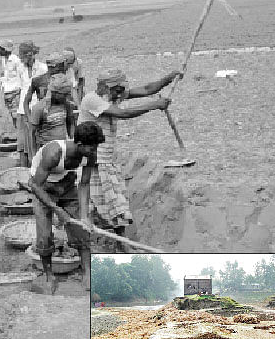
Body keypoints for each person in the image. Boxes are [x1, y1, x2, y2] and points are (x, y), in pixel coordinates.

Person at [77, 68, 179, 236]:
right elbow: (123, 113)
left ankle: (110, 237)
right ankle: (116, 240)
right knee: (113, 204)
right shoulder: (92, 100)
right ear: (106, 87)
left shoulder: (113, 96)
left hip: (107, 159)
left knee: (110, 202)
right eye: (118, 89)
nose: (122, 93)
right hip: (95, 160)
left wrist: (170, 77)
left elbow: (148, 89)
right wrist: (154, 105)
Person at [19, 122, 105, 293]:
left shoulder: (89, 155)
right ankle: (49, 276)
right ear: (80, 145)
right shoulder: (54, 153)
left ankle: (87, 272)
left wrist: (84, 215)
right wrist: (57, 210)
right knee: (44, 236)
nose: (94, 152)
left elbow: (84, 184)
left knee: (81, 230)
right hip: (42, 188)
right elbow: (34, 186)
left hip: (66, 185)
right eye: (91, 148)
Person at [23, 53, 68, 157]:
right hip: (43, 118)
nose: (62, 68)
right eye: (60, 66)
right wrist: (30, 118)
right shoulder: (38, 80)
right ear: (53, 67)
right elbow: (26, 102)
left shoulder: (63, 81)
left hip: (58, 117)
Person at [15, 41, 48, 167]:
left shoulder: (42, 68)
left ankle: (36, 169)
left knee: (36, 143)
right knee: (22, 145)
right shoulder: (20, 68)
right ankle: (24, 171)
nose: (24, 59)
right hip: (22, 111)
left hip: (36, 110)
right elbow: (21, 89)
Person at [29, 75, 77, 156]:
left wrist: (72, 141)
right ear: (55, 93)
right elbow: (32, 133)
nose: (66, 97)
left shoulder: (67, 105)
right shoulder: (39, 108)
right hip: (46, 150)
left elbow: (70, 123)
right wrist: (33, 155)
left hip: (62, 148)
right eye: (63, 94)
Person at [0, 39, 23, 129]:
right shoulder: (4, 60)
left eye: (1, 49)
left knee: (17, 115)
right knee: (12, 114)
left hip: (15, 92)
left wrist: (18, 91)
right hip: (7, 91)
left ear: (5, 49)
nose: (0, 51)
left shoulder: (16, 60)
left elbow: (22, 75)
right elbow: (7, 75)